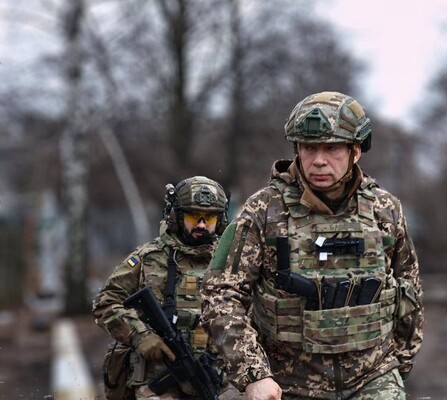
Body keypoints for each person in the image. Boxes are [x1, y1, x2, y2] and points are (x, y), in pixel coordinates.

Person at [200, 91, 424, 399]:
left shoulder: (384, 210)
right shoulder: (263, 211)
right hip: (288, 382)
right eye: (309, 148)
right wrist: (254, 374)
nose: (318, 160)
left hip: (373, 375)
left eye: (331, 148)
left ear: (355, 151)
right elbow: (220, 295)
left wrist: (399, 365)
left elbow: (409, 289)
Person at [93, 176, 229, 399]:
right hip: (156, 382)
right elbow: (105, 302)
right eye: (193, 216)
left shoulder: (230, 262)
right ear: (176, 217)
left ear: (221, 221)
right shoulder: (148, 258)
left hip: (216, 380)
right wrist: (140, 335)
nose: (201, 224)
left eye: (210, 217)